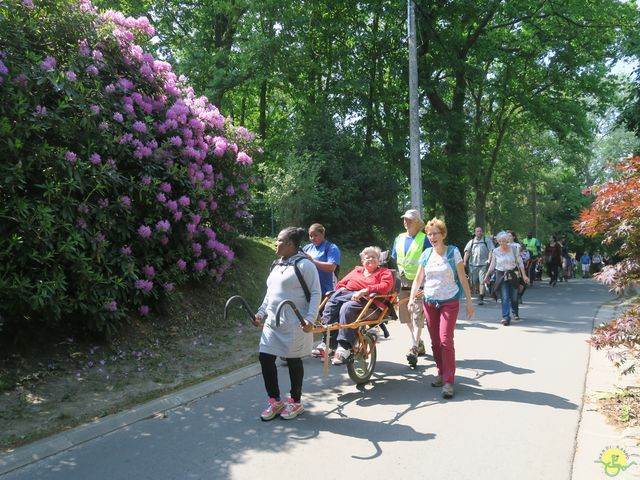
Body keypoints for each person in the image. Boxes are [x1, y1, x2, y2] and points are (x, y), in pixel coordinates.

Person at [254, 227, 321, 421]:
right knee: (265, 358)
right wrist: (260, 313)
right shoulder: (277, 265)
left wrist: (310, 319)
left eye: (279, 240)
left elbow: (316, 293)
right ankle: (275, 401)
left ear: (290, 244)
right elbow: (270, 294)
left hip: (295, 324)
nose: (276, 243)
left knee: (293, 361)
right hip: (272, 323)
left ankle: (296, 401)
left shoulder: (305, 266)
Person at [408, 217, 474, 399]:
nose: (432, 237)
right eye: (429, 234)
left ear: (443, 234)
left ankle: (448, 381)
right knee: (435, 342)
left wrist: (469, 302)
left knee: (445, 340)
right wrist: (412, 298)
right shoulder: (426, 254)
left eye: (435, 233)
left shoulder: (453, 253)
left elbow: (462, 278)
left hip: (449, 301)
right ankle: (440, 372)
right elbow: (418, 279)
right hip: (429, 301)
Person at [317, 246, 395, 365]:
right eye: (367, 257)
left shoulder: (384, 272)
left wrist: (365, 290)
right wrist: (344, 289)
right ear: (362, 261)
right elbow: (341, 284)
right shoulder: (356, 271)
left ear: (379, 260)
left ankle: (344, 347)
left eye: (373, 257)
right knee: (332, 302)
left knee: (346, 307)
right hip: (349, 297)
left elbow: (386, 286)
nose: (370, 259)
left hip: (370, 304)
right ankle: (328, 343)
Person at [391, 209, 431, 366]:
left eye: (408, 220)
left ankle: (413, 348)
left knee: (417, 316)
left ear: (417, 222)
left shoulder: (424, 239)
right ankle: (418, 341)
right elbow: (394, 259)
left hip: (420, 282)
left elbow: (431, 259)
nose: (405, 222)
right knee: (406, 317)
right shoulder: (399, 238)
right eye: (404, 219)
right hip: (402, 283)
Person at [483, 231, 529, 326]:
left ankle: (515, 311)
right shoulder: (496, 251)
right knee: (505, 297)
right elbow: (492, 265)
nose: (502, 243)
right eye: (500, 241)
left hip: (513, 274)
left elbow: (520, 263)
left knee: (514, 297)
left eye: (504, 241)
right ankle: (505, 317)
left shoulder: (514, 249)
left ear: (507, 240)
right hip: (501, 275)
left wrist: (524, 275)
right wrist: (487, 275)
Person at [302, 223, 341, 295]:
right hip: (308, 290)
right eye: (310, 236)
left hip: (325, 291)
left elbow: (331, 267)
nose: (313, 238)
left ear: (323, 234)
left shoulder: (331, 248)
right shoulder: (307, 248)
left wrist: (312, 261)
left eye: (315, 235)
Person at [463, 226, 493, 305]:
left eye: (480, 231)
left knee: (482, 281)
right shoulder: (472, 242)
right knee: (473, 281)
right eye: (477, 231)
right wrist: (464, 262)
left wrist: (489, 259)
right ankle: (479, 290)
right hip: (473, 265)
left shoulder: (487, 241)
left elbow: (490, 251)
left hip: (483, 264)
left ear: (482, 232)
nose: (479, 232)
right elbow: (467, 252)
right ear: (475, 232)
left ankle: (481, 297)